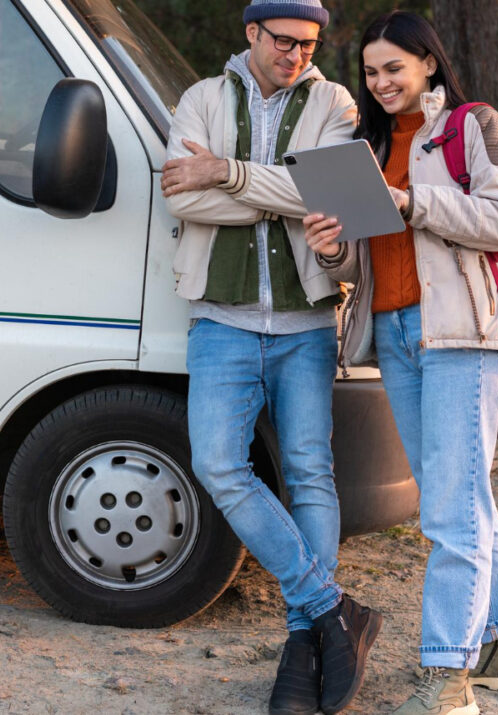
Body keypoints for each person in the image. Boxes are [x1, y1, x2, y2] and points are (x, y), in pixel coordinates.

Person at [303, 11, 498, 715]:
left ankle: (447, 677)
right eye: (370, 72)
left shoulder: (472, 125)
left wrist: (413, 201)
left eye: (393, 68)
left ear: (427, 63)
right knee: (461, 496)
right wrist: (331, 243)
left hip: (459, 334)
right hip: (392, 334)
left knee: (448, 510)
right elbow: (358, 260)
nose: (380, 83)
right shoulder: (365, 143)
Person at [161, 2, 380, 713]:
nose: (296, 55)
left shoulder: (334, 102)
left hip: (305, 322)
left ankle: (302, 641)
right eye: (283, 41)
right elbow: (179, 198)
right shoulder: (201, 98)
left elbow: (344, 200)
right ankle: (330, 607)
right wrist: (284, 191)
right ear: (251, 33)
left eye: (308, 44)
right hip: (221, 322)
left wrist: (224, 173)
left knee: (311, 472)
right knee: (220, 463)